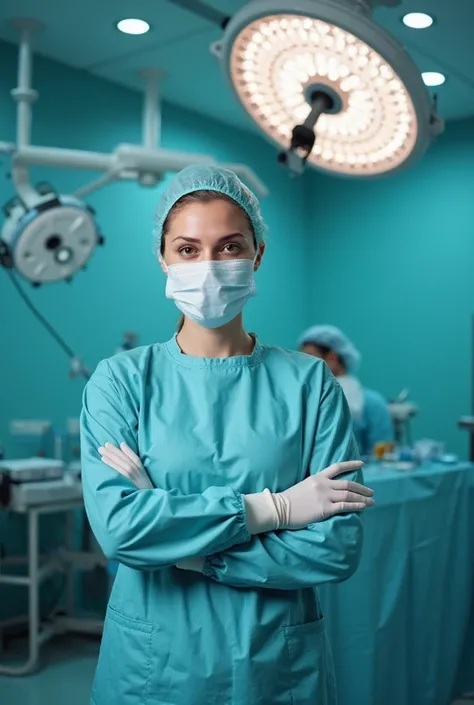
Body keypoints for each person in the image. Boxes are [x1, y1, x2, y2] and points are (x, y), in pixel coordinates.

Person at [80, 165, 374, 705]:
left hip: (274, 661)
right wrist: (276, 510)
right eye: (188, 249)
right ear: (163, 258)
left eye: (229, 246)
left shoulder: (310, 384)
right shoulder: (120, 381)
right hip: (155, 662)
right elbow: (121, 531)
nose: (209, 267)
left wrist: (185, 549)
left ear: (257, 254)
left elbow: (336, 547)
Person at [298, 325, 394, 456]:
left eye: (309, 358)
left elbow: (383, 460)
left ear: (332, 358)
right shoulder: (303, 399)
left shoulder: (372, 403)